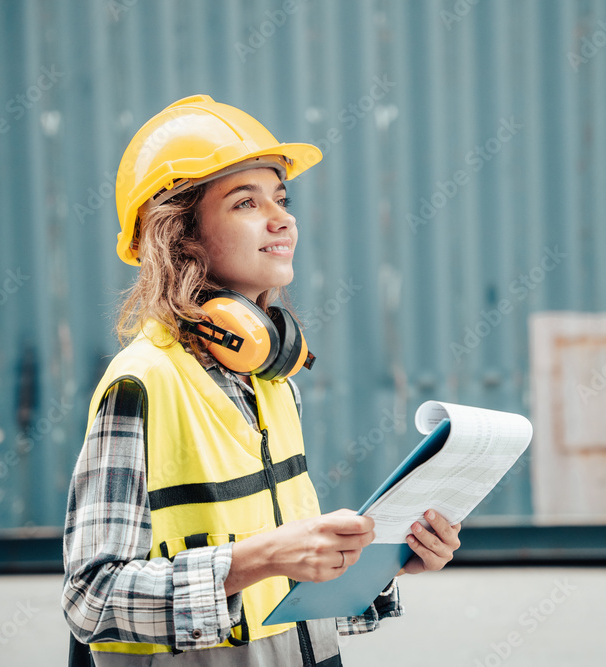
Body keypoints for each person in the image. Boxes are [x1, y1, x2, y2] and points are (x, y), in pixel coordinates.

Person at [61, 95, 462, 666]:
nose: (283, 218)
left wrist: (386, 560)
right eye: (246, 202)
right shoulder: (143, 384)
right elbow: (90, 600)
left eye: (281, 198)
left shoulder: (272, 380)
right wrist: (256, 559)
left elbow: (281, 588)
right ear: (181, 236)